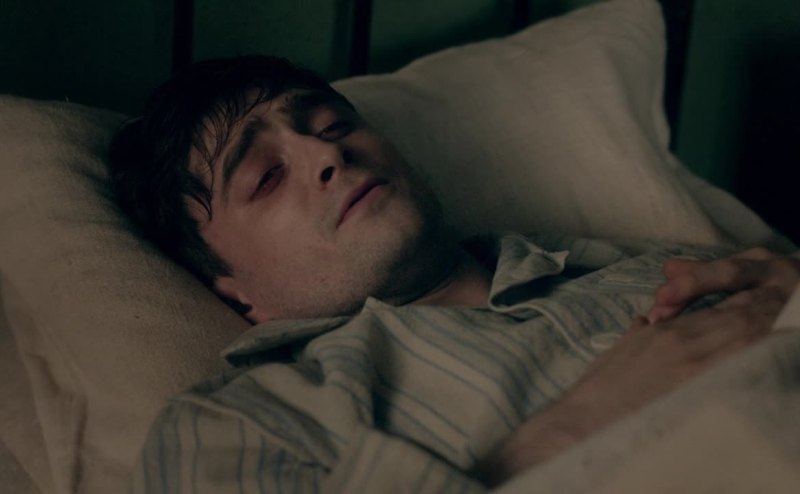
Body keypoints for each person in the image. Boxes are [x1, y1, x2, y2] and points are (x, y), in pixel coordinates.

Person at [109, 56, 800, 492]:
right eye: (265, 177)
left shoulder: (650, 265)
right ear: (235, 291)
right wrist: (580, 422)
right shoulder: (244, 425)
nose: (327, 156)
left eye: (330, 124)